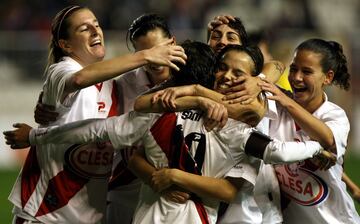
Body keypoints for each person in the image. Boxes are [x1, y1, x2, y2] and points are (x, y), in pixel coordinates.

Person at [4, 41, 330, 224]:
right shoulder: (173, 111)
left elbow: (235, 188)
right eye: (223, 69)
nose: (229, 77)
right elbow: (109, 136)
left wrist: (174, 176)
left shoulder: (244, 119)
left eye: (239, 73)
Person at [4, 5, 186, 223]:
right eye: (84, 28)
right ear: (66, 45)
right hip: (46, 214)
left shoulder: (116, 85)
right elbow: (79, 80)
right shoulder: (61, 70)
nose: (95, 31)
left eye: (97, 25)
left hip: (89, 217)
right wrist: (146, 55)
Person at [259, 38, 360, 223]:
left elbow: (327, 138)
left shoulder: (334, 115)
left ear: (328, 77)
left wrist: (286, 100)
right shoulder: (276, 107)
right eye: (294, 68)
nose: (296, 77)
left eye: (306, 72)